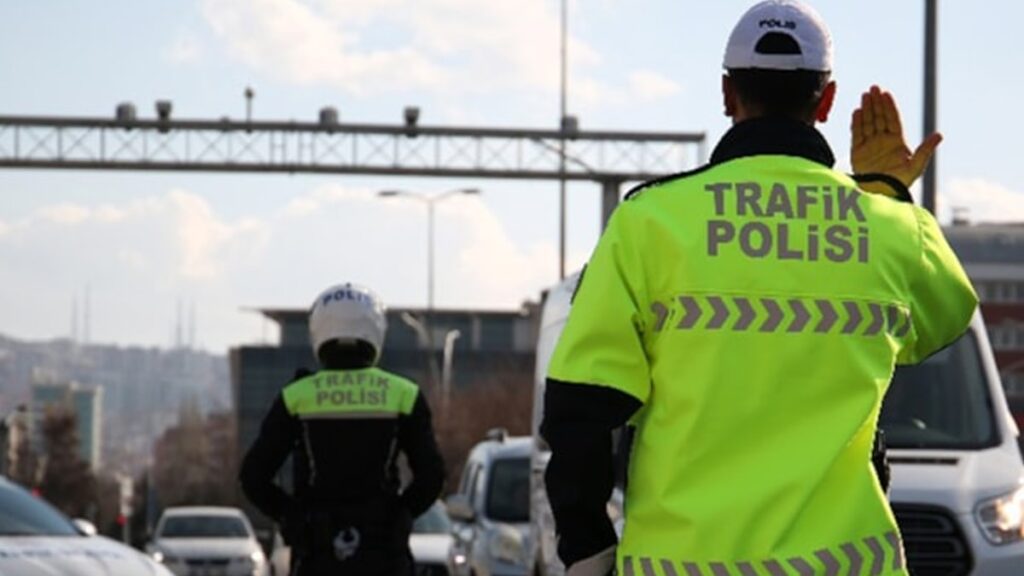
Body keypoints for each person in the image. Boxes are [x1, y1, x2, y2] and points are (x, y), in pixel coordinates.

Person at [540, 2, 976, 575]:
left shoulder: (649, 222)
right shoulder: (892, 229)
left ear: (727, 94)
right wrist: (883, 191)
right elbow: (948, 317)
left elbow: (580, 410)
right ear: (825, 100)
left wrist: (588, 551)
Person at [240, 283, 444, 576]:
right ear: (376, 331)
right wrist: (401, 515)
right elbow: (432, 476)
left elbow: (253, 477)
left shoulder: (296, 396)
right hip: (383, 553)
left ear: (318, 331)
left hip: (318, 555)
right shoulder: (404, 393)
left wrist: (293, 518)